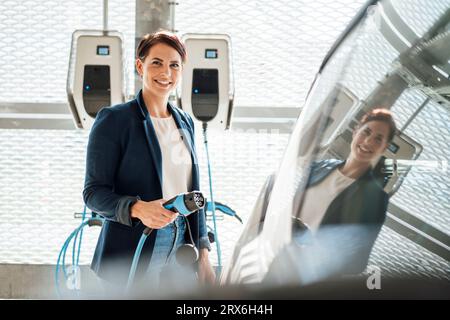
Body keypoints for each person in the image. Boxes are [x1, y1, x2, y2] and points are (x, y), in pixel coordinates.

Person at [83, 30, 215, 291]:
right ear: (140, 66)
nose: (165, 72)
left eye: (174, 65)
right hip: (134, 245)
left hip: (182, 243)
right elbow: (93, 194)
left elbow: (194, 193)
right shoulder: (115, 120)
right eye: (157, 63)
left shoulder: (185, 122)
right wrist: (138, 208)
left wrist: (203, 253)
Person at [293, 108, 397, 275]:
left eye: (378, 139)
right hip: (273, 256)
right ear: (355, 131)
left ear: (385, 147)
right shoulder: (318, 168)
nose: (368, 142)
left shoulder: (375, 199)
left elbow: (357, 261)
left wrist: (310, 248)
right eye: (366, 132)